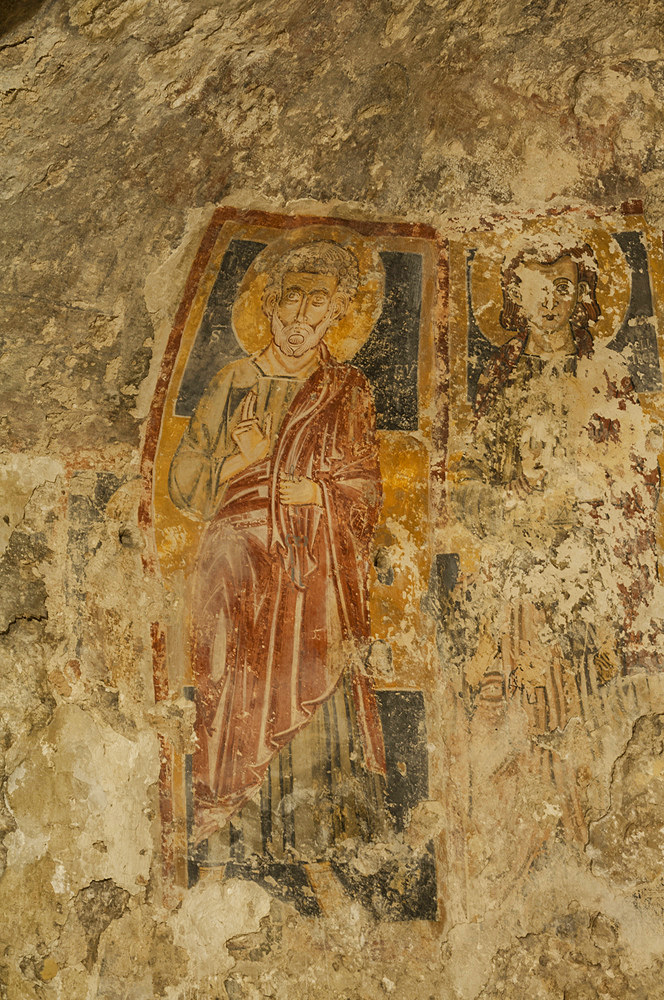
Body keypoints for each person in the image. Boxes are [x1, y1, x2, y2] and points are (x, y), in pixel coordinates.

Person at [169, 239, 387, 858]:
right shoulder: (233, 380)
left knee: (314, 680)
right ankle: (227, 826)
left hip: (309, 572)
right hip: (236, 568)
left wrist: (314, 493)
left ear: (337, 316)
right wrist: (241, 463)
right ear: (268, 309)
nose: (299, 321)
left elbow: (365, 488)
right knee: (231, 685)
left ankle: (319, 843)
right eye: (289, 305)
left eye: (316, 309)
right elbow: (183, 481)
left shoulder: (344, 390)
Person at [450, 233, 662, 852]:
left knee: (584, 712)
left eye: (564, 286)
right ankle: (529, 843)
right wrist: (512, 506)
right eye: (538, 286)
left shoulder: (604, 375)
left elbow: (635, 478)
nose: (551, 300)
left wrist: (582, 504)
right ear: (515, 294)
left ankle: (584, 836)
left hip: (587, 581)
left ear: (583, 294)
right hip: (520, 580)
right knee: (523, 709)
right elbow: (468, 482)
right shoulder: (499, 380)